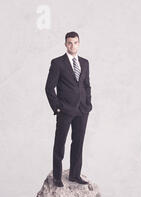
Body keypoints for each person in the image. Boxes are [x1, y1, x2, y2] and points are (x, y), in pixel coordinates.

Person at [45, 31, 92, 187]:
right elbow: (49, 88)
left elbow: (86, 85)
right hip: (65, 110)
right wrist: (57, 108)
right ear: (65, 44)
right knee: (60, 144)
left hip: (82, 110)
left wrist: (88, 104)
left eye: (75, 42)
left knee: (78, 143)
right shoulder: (58, 63)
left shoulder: (84, 63)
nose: (73, 45)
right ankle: (57, 177)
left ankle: (74, 175)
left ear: (79, 43)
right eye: (70, 43)